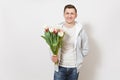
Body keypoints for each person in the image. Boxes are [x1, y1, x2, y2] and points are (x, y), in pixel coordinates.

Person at [51, 4, 89, 80]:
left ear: (76, 15)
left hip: (74, 68)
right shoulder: (57, 29)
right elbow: (51, 46)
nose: (69, 16)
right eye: (67, 13)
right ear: (64, 15)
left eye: (72, 13)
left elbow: (85, 48)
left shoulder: (80, 30)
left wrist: (79, 58)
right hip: (60, 67)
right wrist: (53, 56)